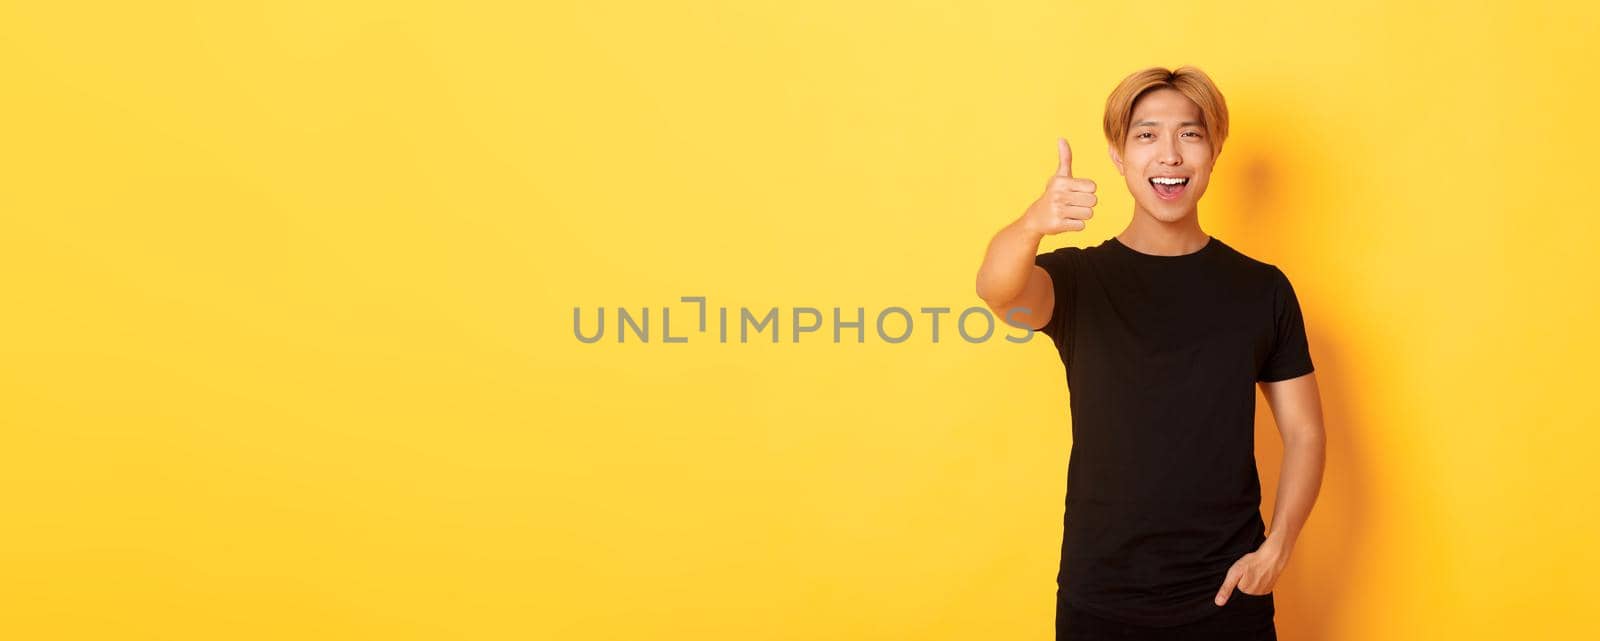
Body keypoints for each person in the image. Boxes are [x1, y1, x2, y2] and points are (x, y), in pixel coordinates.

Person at [974, 66, 1327, 640]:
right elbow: (997, 289)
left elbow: (1307, 432)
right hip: (1102, 598)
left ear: (1214, 151)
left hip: (1228, 596)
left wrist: (1278, 548)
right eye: (1146, 134)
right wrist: (1035, 223)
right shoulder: (1079, 281)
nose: (1169, 154)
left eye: (1190, 134)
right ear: (1118, 154)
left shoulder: (1262, 289)